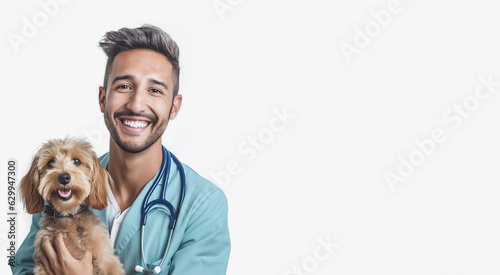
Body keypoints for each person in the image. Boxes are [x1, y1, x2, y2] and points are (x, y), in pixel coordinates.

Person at [12, 24, 231, 275]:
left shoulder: (203, 206)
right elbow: (24, 268)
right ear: (103, 98)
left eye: (155, 90)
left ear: (174, 106)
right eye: (124, 86)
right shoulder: (59, 190)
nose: (137, 104)